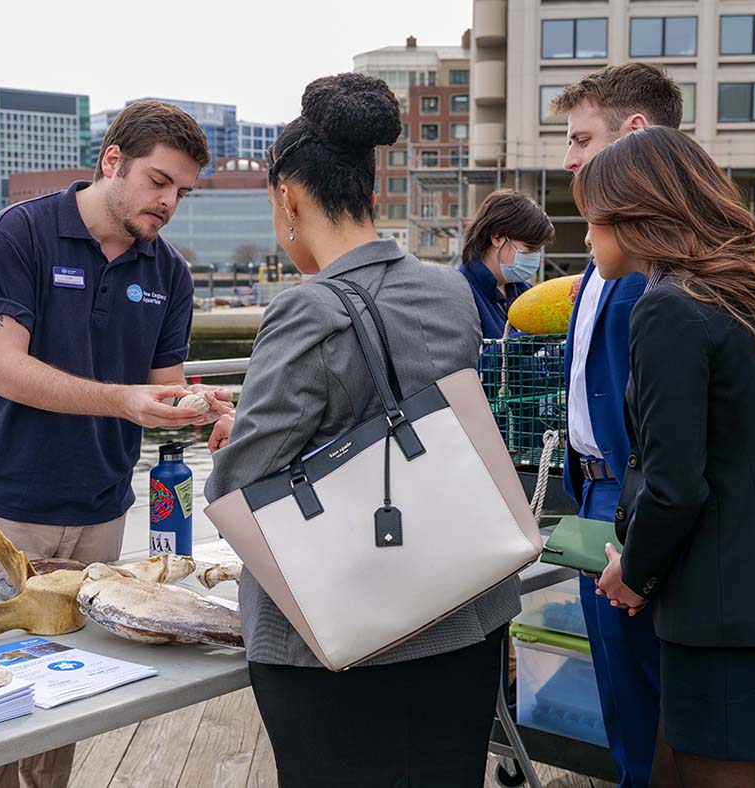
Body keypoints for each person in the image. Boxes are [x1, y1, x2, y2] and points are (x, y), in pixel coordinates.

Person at [203, 72, 520, 788]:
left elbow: (242, 488)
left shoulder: (306, 309)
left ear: (287, 197)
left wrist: (240, 431)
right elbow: (399, 415)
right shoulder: (446, 289)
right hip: (465, 609)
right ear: (369, 189)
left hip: (347, 635)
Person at [0, 100, 231, 788]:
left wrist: (200, 407)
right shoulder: (20, 233)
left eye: (182, 191)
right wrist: (124, 399)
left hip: (101, 514)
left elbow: (159, 389)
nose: (169, 202)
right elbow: (3, 369)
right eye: (158, 181)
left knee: (65, 712)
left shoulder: (170, 273)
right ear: (111, 162)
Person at [579, 125, 755, 788]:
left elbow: (676, 484)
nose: (586, 240)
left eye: (593, 221)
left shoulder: (670, 309)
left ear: (638, 216)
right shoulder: (751, 295)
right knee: (679, 767)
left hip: (724, 601)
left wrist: (635, 574)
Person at [548, 62, 683, 788]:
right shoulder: (604, 253)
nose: (568, 158)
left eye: (580, 138)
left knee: (653, 687)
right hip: (595, 492)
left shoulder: (663, 264)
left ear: (634, 133)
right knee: (620, 687)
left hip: (641, 497)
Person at [458, 188, 555, 339]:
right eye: (529, 248)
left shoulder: (525, 292)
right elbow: (468, 358)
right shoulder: (461, 293)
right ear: (497, 238)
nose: (534, 256)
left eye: (538, 249)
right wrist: (527, 341)